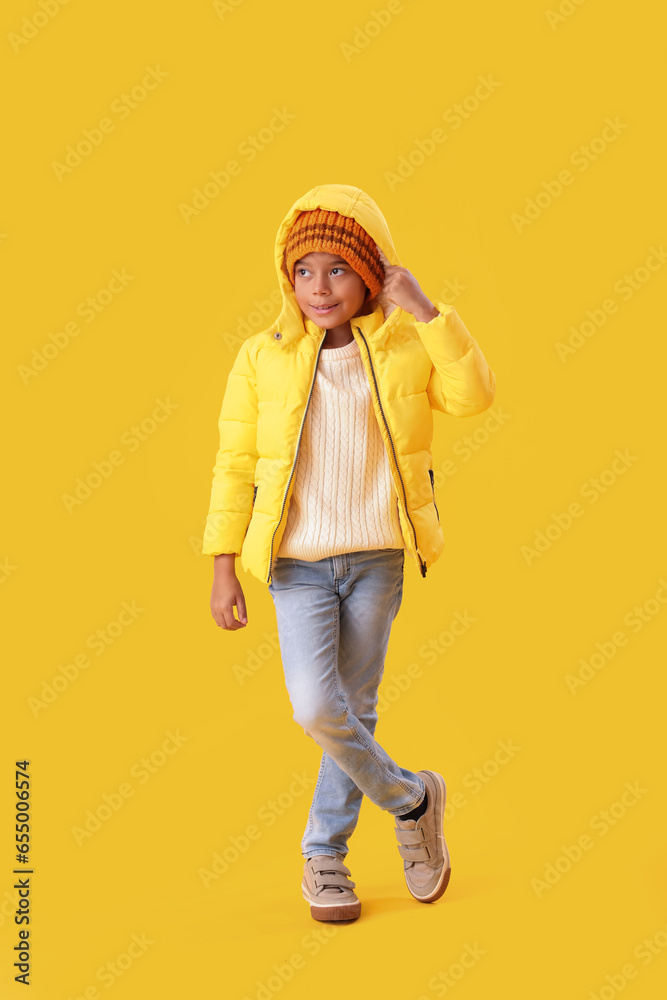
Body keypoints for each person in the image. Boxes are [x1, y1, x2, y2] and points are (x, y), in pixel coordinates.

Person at [203, 183, 496, 922]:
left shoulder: (404, 345)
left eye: (338, 269)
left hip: (376, 559)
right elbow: (234, 463)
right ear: (286, 277)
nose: (319, 287)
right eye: (304, 270)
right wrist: (220, 564)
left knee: (353, 707)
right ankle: (411, 799)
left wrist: (429, 314)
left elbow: (472, 399)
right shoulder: (260, 357)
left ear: (371, 273)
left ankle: (324, 857)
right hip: (295, 565)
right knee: (317, 707)